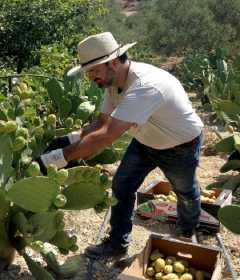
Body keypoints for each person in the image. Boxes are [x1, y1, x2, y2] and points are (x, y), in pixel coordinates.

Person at [37, 32, 204, 259]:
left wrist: (54, 159)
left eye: (95, 70)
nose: (91, 77)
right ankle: (117, 244)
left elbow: (105, 136)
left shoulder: (146, 86)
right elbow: (102, 122)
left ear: (114, 62)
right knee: (122, 186)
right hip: (145, 140)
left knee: (185, 192)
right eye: (88, 72)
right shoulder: (113, 82)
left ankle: (187, 230)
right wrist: (68, 139)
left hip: (178, 145)